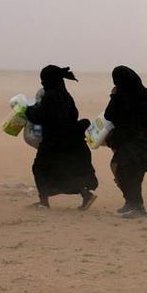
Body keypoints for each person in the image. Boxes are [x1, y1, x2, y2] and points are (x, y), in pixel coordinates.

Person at [104, 66, 147, 219]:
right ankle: (131, 203)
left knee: (125, 171)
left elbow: (109, 115)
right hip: (146, 142)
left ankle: (138, 207)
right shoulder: (142, 94)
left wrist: (113, 96)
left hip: (135, 144)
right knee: (130, 172)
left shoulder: (122, 96)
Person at [25, 65, 98, 210]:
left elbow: (42, 116)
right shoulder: (66, 95)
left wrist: (27, 110)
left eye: (43, 80)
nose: (42, 83)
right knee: (67, 170)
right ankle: (86, 195)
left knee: (39, 168)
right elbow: (72, 115)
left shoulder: (50, 96)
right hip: (71, 140)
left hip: (54, 142)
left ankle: (44, 203)